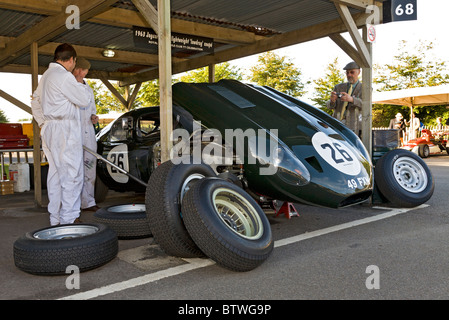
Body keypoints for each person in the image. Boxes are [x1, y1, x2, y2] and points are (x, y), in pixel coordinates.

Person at [31, 43, 90, 226]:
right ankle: (69, 220)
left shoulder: (47, 76)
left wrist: (43, 122)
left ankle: (55, 219)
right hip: (64, 127)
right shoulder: (64, 76)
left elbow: (35, 101)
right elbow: (84, 99)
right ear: (71, 60)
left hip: (49, 127)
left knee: (55, 175)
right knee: (72, 174)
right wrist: (79, 81)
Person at [72, 57, 100, 212]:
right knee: (74, 170)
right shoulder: (68, 86)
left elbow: (92, 110)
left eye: (84, 71)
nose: (82, 73)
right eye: (80, 70)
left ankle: (88, 202)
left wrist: (94, 117)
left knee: (89, 168)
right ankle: (73, 206)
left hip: (88, 133)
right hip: (73, 133)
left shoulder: (89, 89)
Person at [326, 61, 363, 136]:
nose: (349, 75)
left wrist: (352, 100)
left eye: (352, 72)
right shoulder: (338, 87)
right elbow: (329, 106)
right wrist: (332, 101)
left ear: (359, 72)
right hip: (337, 125)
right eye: (347, 72)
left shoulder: (365, 88)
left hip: (354, 127)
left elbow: (366, 105)